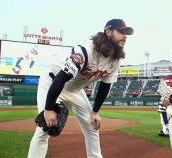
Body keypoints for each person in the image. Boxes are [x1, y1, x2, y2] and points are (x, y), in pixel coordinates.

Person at [27, 19, 134, 158]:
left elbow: (105, 85)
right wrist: (48, 109)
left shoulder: (116, 59)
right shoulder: (85, 50)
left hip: (75, 89)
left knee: (92, 126)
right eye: (121, 31)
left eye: (127, 33)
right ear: (108, 31)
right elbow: (62, 78)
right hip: (53, 81)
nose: (125, 36)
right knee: (44, 129)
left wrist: (95, 112)